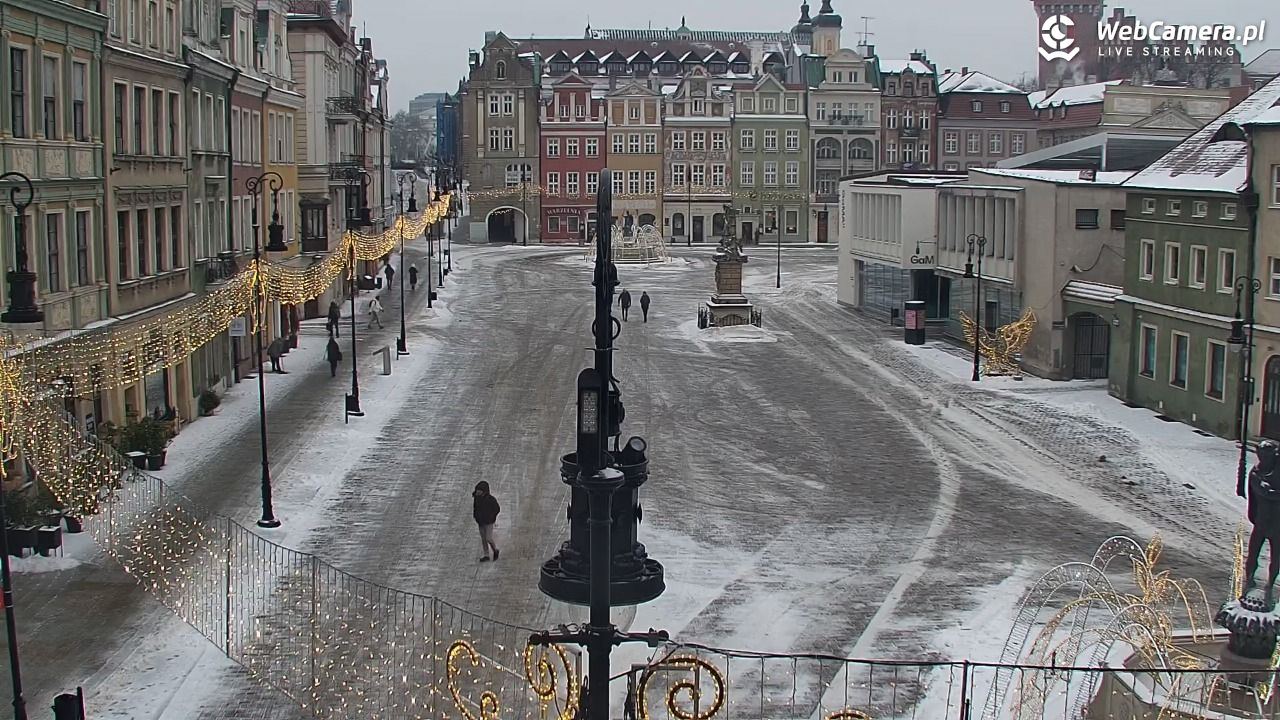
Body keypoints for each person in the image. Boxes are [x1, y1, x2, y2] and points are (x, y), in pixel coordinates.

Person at [472, 481, 500, 562]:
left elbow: (497, 509)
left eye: (480, 490)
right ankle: (486, 555)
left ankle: (495, 550)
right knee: (483, 539)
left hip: (489, 522)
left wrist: (492, 517)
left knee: (488, 538)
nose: (478, 492)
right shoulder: (476, 499)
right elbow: (475, 509)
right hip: (480, 522)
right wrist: (476, 517)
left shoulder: (491, 499)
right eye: (477, 490)